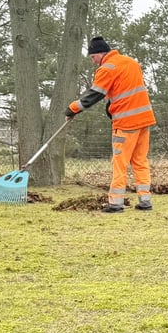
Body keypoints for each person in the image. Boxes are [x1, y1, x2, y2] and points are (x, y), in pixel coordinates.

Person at [65, 37, 156, 213]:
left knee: (119, 163)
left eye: (93, 57)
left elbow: (94, 95)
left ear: (100, 53)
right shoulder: (131, 63)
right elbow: (126, 89)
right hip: (144, 119)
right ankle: (145, 200)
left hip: (126, 123)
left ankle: (115, 203)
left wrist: (72, 109)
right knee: (140, 161)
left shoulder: (107, 68)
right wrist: (111, 105)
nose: (94, 62)